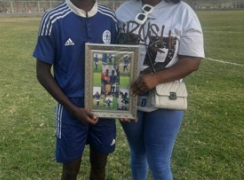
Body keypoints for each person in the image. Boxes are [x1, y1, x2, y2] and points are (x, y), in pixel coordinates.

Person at [116, 0, 205, 180]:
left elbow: (193, 60)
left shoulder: (183, 12)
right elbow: (111, 53)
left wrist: (156, 78)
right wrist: (115, 99)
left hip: (166, 96)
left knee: (159, 161)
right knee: (137, 154)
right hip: (129, 95)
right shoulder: (124, 10)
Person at [33, 0, 118, 179]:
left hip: (103, 107)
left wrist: (122, 105)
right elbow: (42, 72)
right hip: (71, 109)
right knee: (71, 170)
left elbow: (119, 62)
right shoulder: (53, 18)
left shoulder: (110, 17)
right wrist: (72, 108)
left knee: (100, 165)